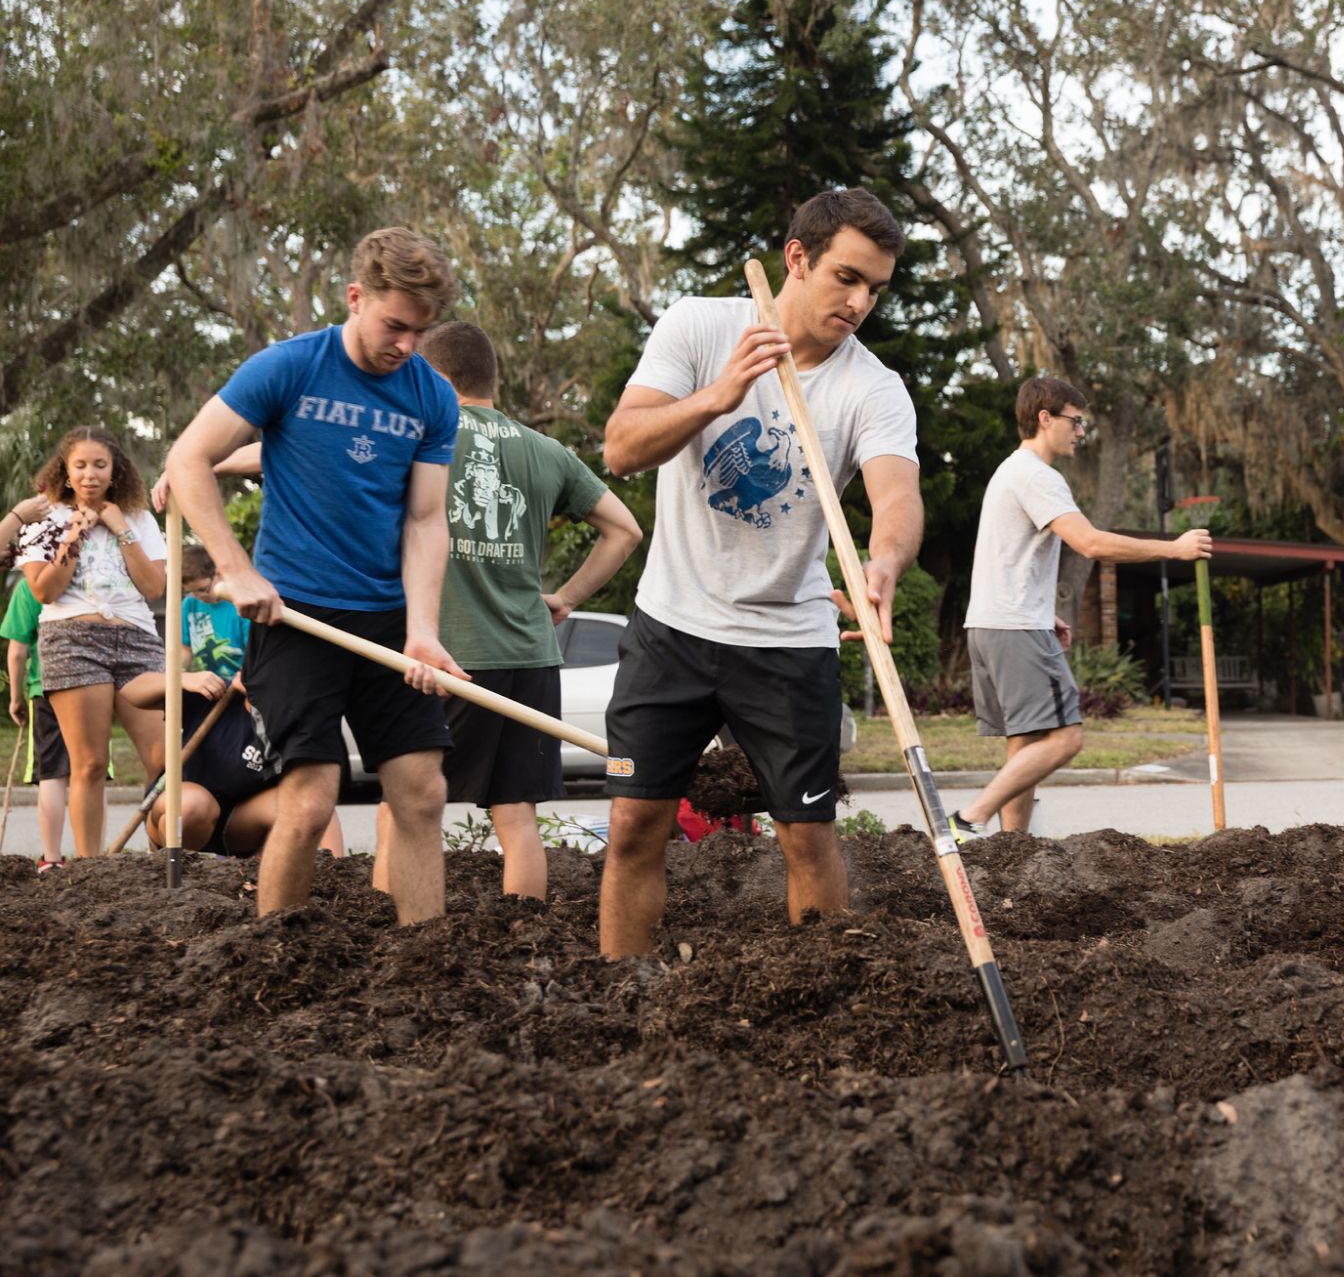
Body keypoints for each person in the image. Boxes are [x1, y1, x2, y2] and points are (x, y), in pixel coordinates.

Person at [597, 187, 922, 956]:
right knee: (633, 823)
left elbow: (896, 497)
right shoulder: (701, 327)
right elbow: (620, 446)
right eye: (846, 277)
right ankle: (620, 990)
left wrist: (883, 561)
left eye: (875, 287)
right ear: (796, 258)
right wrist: (719, 395)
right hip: (672, 622)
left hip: (788, 637)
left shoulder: (872, 387)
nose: (860, 301)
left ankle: (823, 989)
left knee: (807, 835)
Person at [162, 226, 465, 923]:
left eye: (421, 330)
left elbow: (424, 521)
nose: (407, 345)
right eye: (395, 325)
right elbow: (188, 460)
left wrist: (421, 630)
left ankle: (426, 957)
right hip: (292, 613)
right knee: (311, 796)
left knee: (421, 792)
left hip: (387, 619)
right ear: (356, 298)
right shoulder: (288, 367)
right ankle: (280, 950)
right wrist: (237, 571)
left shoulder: (431, 397)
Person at [369, 320, 641, 900]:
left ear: (434, 375)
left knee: (400, 808)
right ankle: (526, 941)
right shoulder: (546, 450)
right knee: (515, 814)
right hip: (529, 655)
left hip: (446, 656)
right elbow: (624, 530)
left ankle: (386, 937)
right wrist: (565, 598)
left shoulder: (418, 434)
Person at [947, 377, 1211, 838]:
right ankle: (972, 817)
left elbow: (1004, 553)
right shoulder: (1037, 475)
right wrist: (1174, 549)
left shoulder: (1010, 471)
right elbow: (1089, 543)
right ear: (1045, 419)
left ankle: (1014, 848)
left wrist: (1041, 611)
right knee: (1066, 737)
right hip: (1014, 628)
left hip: (991, 624)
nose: (1081, 431)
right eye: (1075, 420)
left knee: (1026, 743)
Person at [18, 428, 167, 858]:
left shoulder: (138, 517)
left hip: (137, 638)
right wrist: (75, 533)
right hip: (72, 639)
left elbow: (154, 586)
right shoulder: (42, 519)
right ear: (64, 470)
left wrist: (120, 527)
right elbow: (44, 592)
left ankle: (166, 853)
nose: (89, 474)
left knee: (164, 759)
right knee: (89, 763)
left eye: (99, 465)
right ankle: (90, 867)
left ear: (114, 469)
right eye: (80, 465)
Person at [124, 674, 345, 858]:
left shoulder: (293, 725)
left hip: (237, 827)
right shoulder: (214, 693)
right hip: (182, 816)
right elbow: (131, 691)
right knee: (194, 805)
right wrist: (181, 678)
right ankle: (178, 872)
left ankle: (262, 881)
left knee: (309, 801)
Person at [2, 494, 69, 870]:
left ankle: (53, 858)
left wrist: (15, 697)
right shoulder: (78, 570)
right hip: (89, 684)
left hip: (43, 688)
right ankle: (92, 857)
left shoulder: (27, 587)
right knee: (88, 770)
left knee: (50, 772)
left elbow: (17, 651)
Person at [179, 546, 251, 682]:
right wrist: (179, 674)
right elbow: (185, 648)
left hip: (241, 683)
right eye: (192, 592)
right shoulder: (189, 603)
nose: (199, 596)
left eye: (202, 589)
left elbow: (253, 654)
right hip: (208, 683)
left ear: (218, 574)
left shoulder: (240, 604)